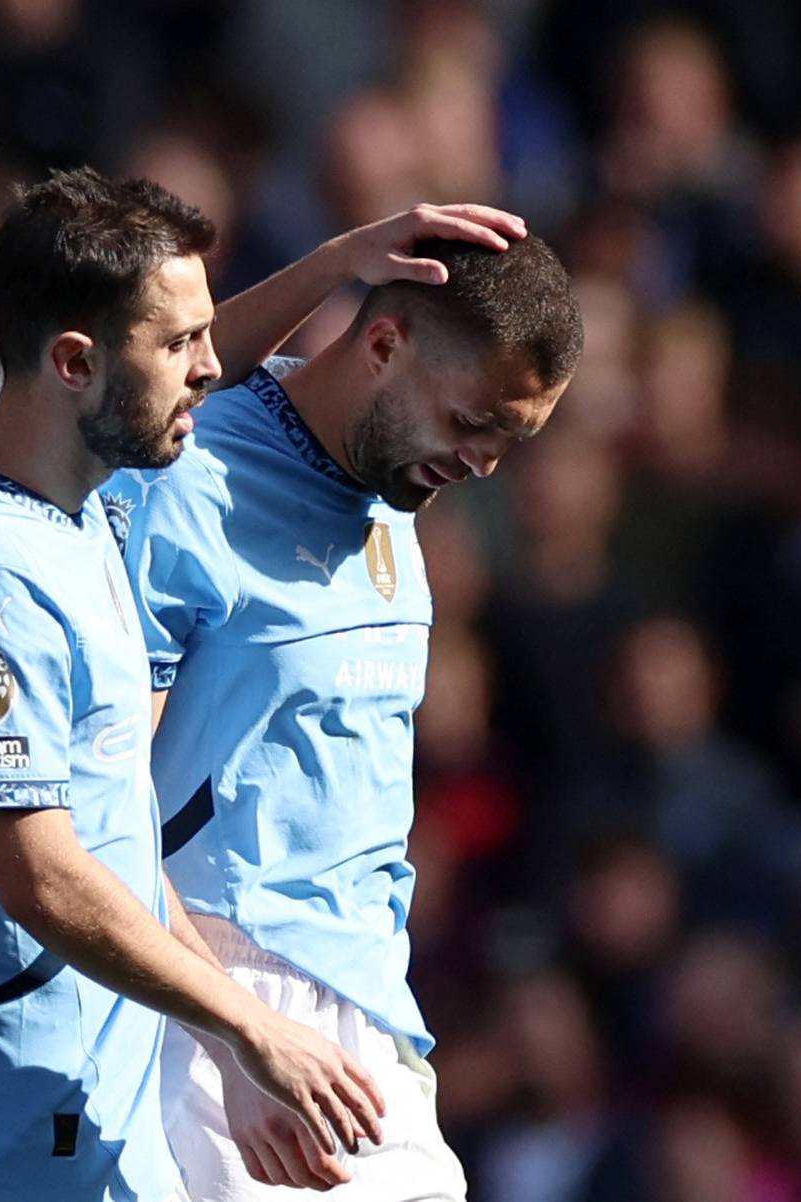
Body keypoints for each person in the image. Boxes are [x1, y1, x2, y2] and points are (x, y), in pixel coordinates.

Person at [0, 168, 527, 1202]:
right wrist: (242, 1026)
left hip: (90, 1092)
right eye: (181, 348)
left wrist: (341, 262)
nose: (213, 373)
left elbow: (171, 357)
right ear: (74, 364)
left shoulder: (72, 515)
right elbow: (41, 872)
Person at [103, 234, 583, 1199]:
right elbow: (102, 806)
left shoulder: (397, 483)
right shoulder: (185, 486)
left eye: (512, 441)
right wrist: (233, 1035)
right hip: (221, 1013)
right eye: (474, 421)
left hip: (374, 1017)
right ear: (384, 346)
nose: (486, 465)